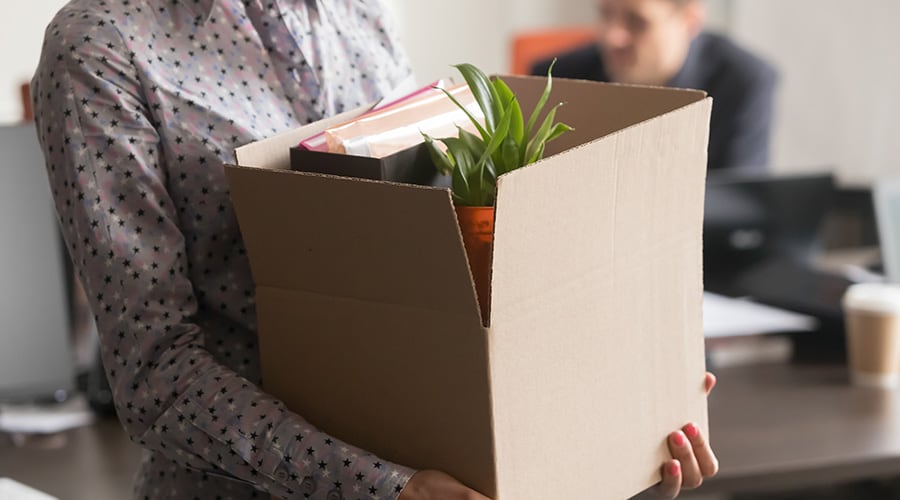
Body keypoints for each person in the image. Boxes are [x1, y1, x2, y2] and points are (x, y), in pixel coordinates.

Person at [31, 1, 717, 498]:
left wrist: (615, 432)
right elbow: (155, 377)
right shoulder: (101, 45)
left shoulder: (360, 12)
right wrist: (384, 487)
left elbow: (427, 275)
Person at [533, 0, 778, 172]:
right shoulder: (558, 78)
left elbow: (740, 208)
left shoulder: (743, 82)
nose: (612, 37)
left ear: (690, 21)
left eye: (637, 22)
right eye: (606, 14)